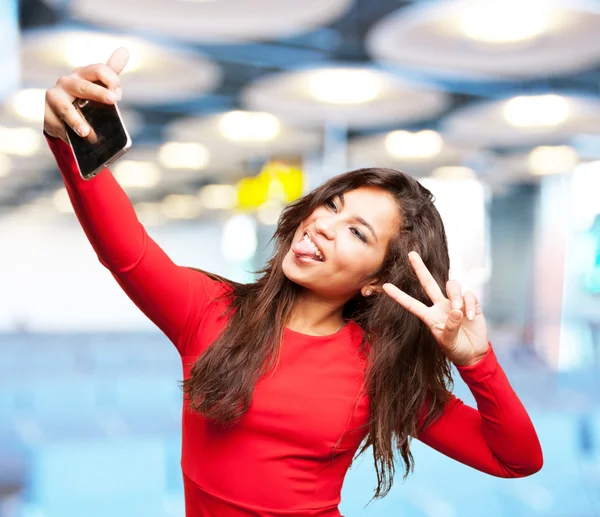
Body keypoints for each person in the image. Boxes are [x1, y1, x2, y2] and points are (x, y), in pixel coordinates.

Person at [43, 48, 543, 517]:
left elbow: (516, 459)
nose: (322, 223)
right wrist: (69, 139)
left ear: (376, 280)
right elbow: (124, 249)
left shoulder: (380, 371)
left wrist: (478, 362)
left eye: (356, 232)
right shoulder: (209, 310)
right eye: (332, 204)